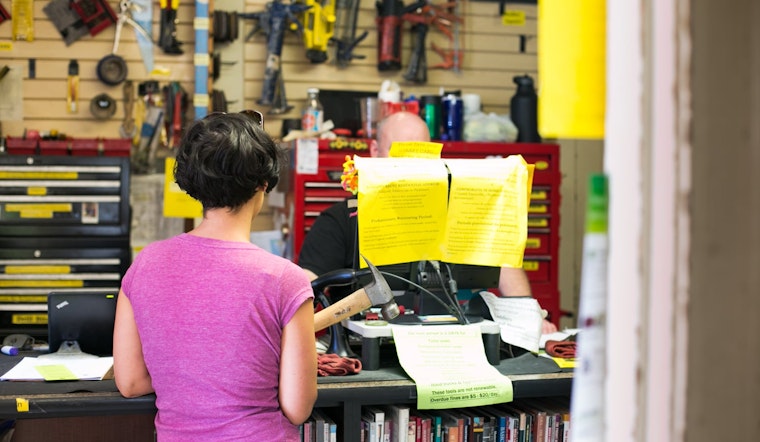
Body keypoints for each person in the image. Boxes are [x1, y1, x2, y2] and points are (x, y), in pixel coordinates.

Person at [113, 111, 317, 441]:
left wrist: (188, 373)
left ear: (194, 184)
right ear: (262, 184)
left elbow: (130, 382)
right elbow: (297, 408)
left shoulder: (145, 265)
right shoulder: (286, 279)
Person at [298, 110, 557, 333]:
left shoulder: (459, 210)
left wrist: (527, 317)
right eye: (401, 152)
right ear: (375, 152)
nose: (411, 164)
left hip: (456, 343)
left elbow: (505, 267)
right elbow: (304, 290)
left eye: (420, 153)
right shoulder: (338, 222)